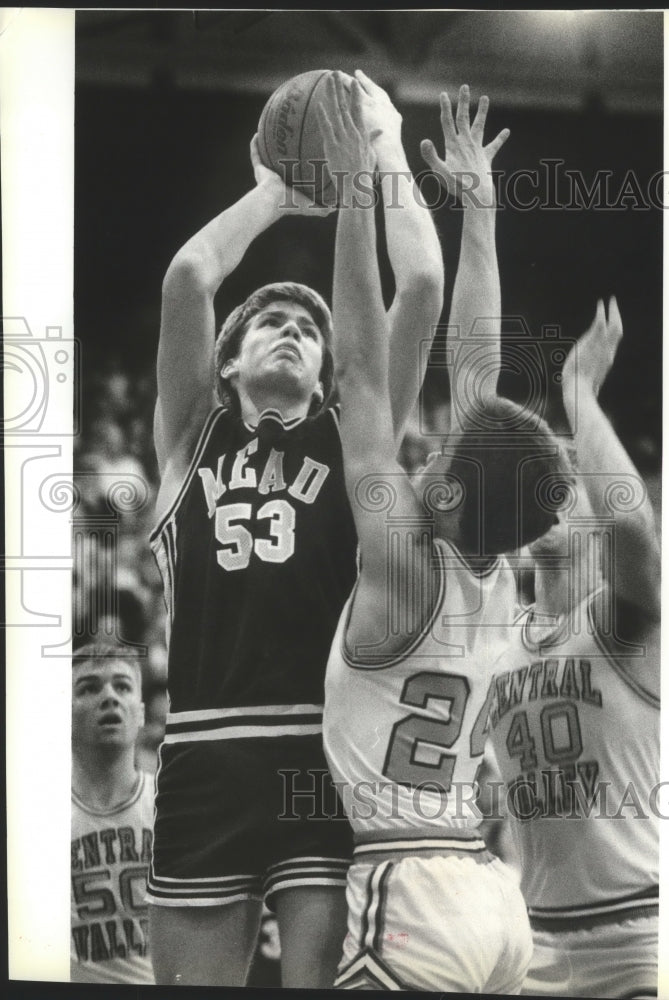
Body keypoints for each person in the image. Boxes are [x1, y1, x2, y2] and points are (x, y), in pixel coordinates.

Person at [146, 69, 443, 988]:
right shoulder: (188, 441)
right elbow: (191, 274)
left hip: (320, 751)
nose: (289, 330)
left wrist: (387, 148)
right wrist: (273, 194)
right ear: (226, 363)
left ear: (325, 373)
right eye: (268, 320)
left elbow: (422, 286)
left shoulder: (349, 434)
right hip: (203, 751)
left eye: (307, 329)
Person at [320, 80, 572, 993]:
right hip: (488, 897)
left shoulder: (401, 563)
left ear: (456, 496)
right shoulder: (500, 570)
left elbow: (356, 368)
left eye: (438, 462)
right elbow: (477, 375)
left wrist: (357, 191)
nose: (422, 453)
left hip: (409, 887)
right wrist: (481, 213)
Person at [487, 298, 661, 999]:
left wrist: (578, 391)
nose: (549, 497)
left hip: (635, 932)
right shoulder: (497, 642)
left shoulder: (621, 622)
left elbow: (629, 525)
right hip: (529, 937)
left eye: (565, 486)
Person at [71, 644, 154, 984]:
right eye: (89, 688)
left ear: (141, 713)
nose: (109, 697)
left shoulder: (171, 804)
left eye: (122, 686)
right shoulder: (36, 821)